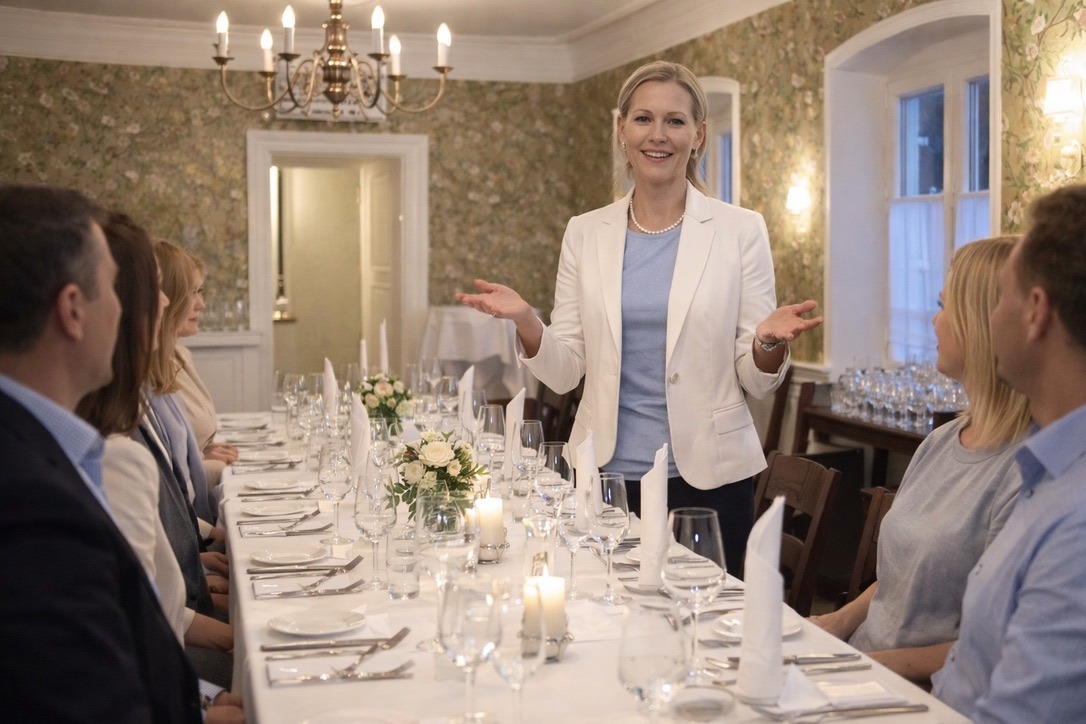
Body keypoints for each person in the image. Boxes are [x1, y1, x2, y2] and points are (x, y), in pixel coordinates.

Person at [456, 61, 821, 575]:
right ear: (621, 130)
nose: (658, 135)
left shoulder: (740, 230)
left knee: (705, 615)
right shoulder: (585, 232)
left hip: (709, 480)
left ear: (698, 135)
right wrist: (528, 323)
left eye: (675, 121)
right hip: (602, 477)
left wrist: (765, 343)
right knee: (603, 611)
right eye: (644, 119)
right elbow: (567, 371)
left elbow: (756, 380)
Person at [0, 185, 205, 721]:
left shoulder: (47, 447)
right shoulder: (30, 501)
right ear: (73, 310)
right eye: (114, 288)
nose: (139, 308)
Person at [809, 236, 1031, 684]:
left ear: (980, 324)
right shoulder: (940, 441)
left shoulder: (1023, 470)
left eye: (944, 306)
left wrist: (864, 668)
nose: (934, 319)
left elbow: (993, 647)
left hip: (921, 690)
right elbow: (900, 578)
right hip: (866, 664)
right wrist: (836, 622)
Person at [932, 184, 1086, 720]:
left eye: (1000, 297)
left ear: (1036, 312)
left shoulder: (1076, 521)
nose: (988, 317)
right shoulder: (1051, 467)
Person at [76, 212, 235, 689]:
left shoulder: (122, 411)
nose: (166, 301)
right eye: (154, 291)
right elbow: (139, 617)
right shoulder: (106, 447)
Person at [171, 251, 239, 488]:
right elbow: (169, 474)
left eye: (200, 291)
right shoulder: (149, 370)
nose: (201, 304)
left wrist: (200, 453)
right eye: (192, 293)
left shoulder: (181, 354)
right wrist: (204, 461)